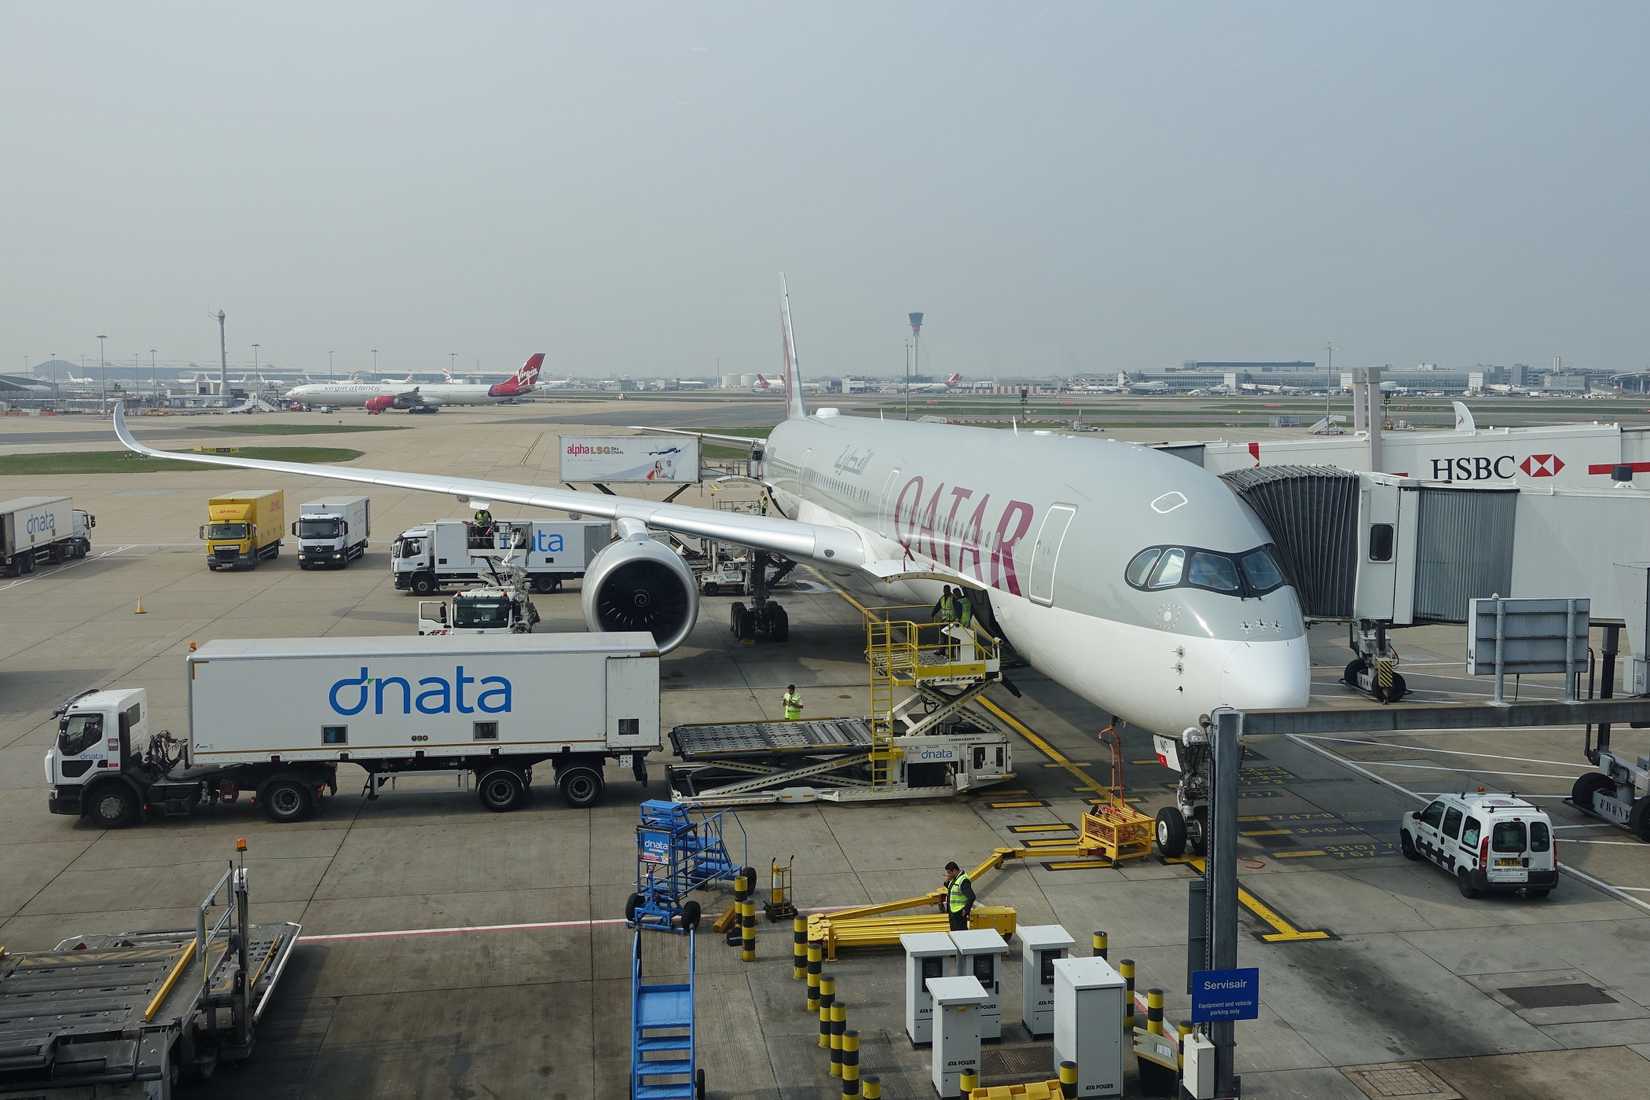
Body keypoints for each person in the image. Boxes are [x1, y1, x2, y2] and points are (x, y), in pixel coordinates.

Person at [943, 860, 974, 931]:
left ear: (954, 871)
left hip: (959, 912)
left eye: (949, 873)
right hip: (953, 911)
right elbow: (951, 888)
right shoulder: (954, 878)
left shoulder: (963, 881)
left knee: (961, 934)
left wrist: (965, 910)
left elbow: (971, 896)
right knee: (954, 932)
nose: (948, 874)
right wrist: (947, 880)